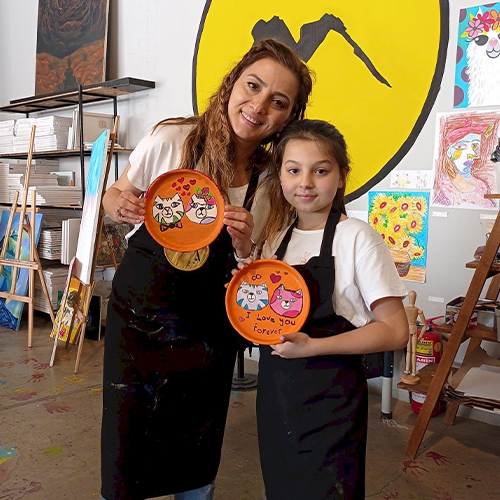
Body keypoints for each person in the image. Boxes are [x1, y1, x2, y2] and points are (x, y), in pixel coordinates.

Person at [100, 39, 313, 500]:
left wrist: (246, 244)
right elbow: (114, 194)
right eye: (252, 86)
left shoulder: (273, 180)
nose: (258, 106)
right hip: (138, 320)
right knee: (126, 445)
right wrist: (121, 206)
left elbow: (258, 271)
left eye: (278, 101)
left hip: (208, 333)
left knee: (196, 447)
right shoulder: (172, 140)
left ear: (289, 117)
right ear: (232, 84)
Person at [252, 119, 409, 499]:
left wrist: (313, 347)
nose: (305, 182)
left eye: (320, 171)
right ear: (280, 175)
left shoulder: (358, 238)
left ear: (341, 176)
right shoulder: (275, 240)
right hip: (276, 396)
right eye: (293, 170)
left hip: (331, 401)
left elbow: (395, 330)